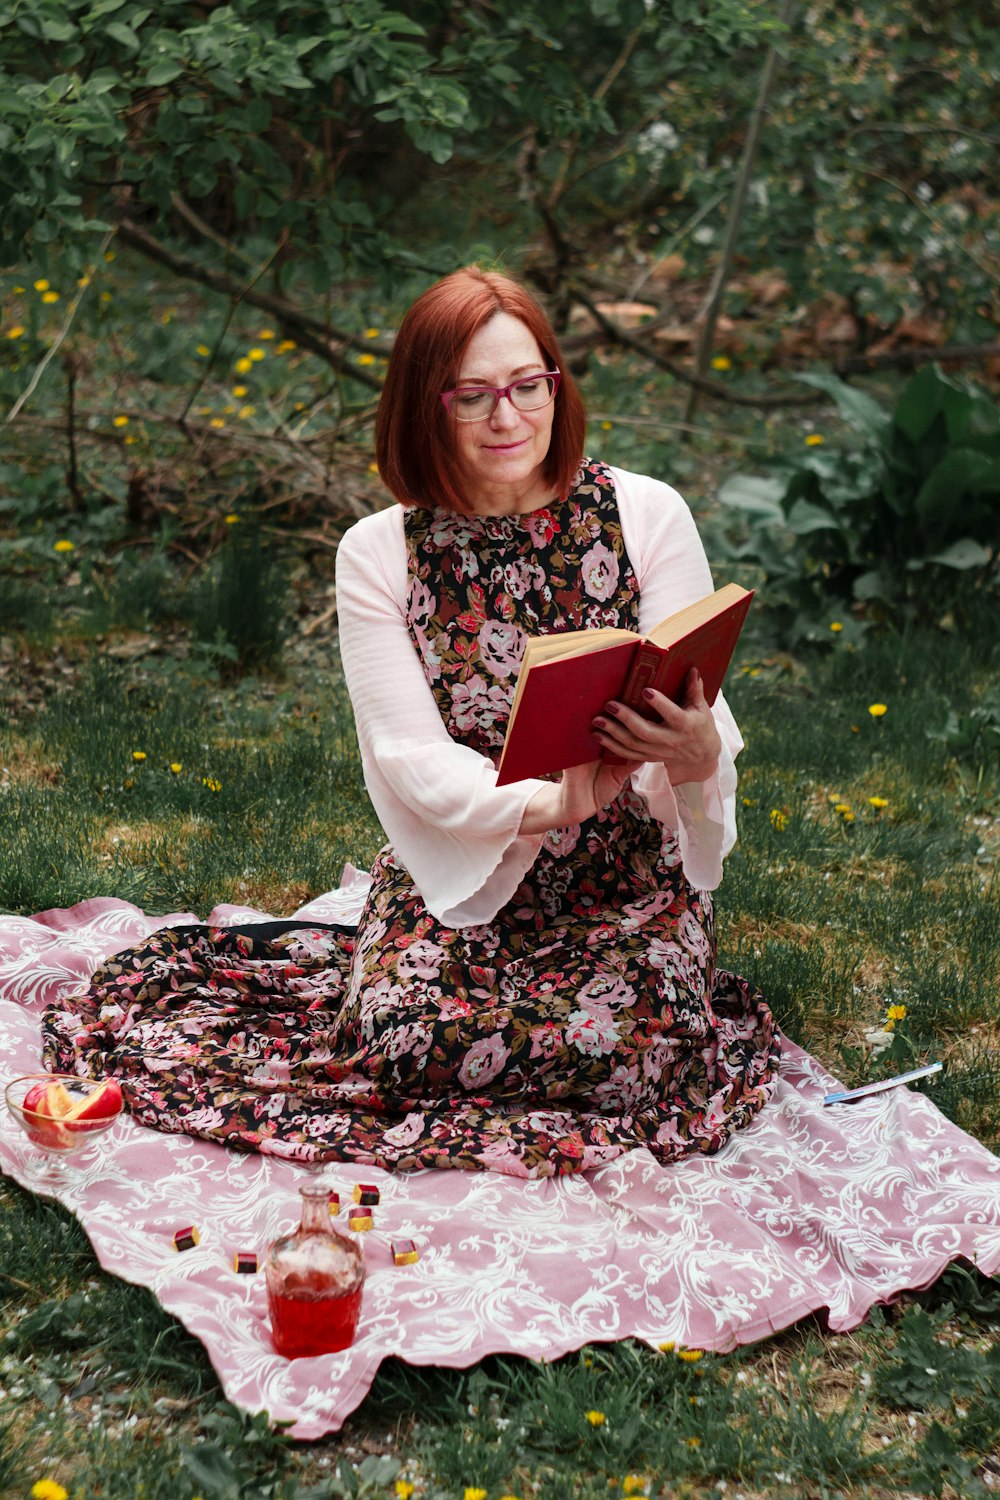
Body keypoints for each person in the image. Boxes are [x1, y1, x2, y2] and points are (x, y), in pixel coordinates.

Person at [42, 267, 779, 1178]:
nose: (507, 418)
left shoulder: (646, 512)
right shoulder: (379, 550)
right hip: (467, 868)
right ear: (424, 407)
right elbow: (408, 753)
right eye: (472, 396)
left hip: (628, 881)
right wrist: (554, 802)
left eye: (526, 386)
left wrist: (699, 749)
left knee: (632, 1054)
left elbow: (702, 702)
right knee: (405, 1042)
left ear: (557, 382)